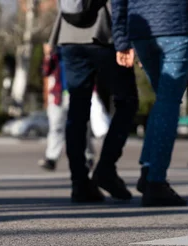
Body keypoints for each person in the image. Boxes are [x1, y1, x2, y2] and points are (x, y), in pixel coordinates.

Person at [112, 0, 188, 207]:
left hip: (141, 32)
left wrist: (121, 39)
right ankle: (155, 182)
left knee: (163, 100)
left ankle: (148, 170)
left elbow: (117, 2)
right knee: (168, 103)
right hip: (175, 25)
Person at [49, 1, 138, 203]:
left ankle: (79, 183)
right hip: (104, 33)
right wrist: (125, 40)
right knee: (127, 101)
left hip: (68, 35)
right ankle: (106, 168)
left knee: (77, 110)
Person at [38, 43, 97, 172]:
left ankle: (88, 156)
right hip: (58, 95)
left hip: (78, 92)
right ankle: (51, 158)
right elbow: (45, 71)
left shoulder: (82, 48)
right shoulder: (56, 53)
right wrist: (48, 54)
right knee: (56, 127)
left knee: (82, 126)